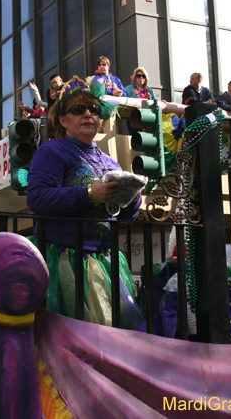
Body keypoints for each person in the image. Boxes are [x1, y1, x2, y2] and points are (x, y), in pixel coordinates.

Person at [26, 83, 143, 329]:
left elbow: (121, 218)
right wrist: (89, 194)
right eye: (79, 109)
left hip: (104, 262)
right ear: (63, 120)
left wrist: (132, 197)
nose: (89, 114)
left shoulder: (111, 162)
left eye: (94, 108)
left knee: (111, 344)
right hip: (63, 261)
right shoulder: (52, 151)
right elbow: (37, 199)